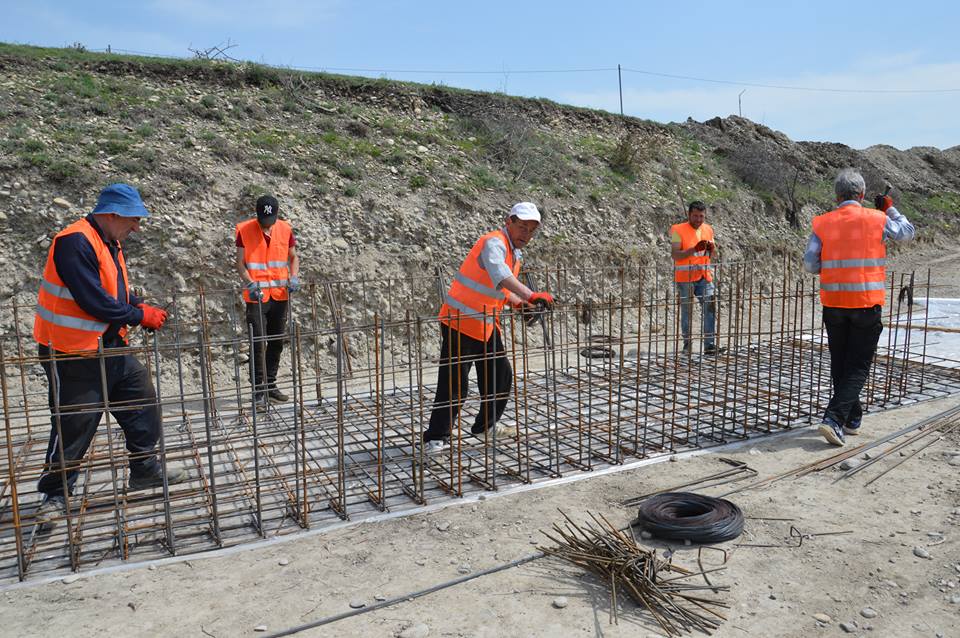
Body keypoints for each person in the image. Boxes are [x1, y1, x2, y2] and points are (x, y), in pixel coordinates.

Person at [33, 183, 186, 528]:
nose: (137, 228)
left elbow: (112, 290)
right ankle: (55, 495)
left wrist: (138, 305)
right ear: (113, 214)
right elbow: (94, 301)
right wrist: (139, 316)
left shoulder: (109, 240)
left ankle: (144, 470)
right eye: (133, 220)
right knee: (74, 423)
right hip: (72, 352)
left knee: (142, 400)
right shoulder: (74, 242)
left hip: (109, 345)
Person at [422, 202, 555, 454]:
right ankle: (435, 438)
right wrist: (531, 295)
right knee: (454, 384)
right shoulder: (494, 242)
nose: (526, 234)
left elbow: (499, 288)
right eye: (522, 227)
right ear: (508, 222)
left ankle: (485, 426)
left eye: (531, 230)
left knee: (500, 375)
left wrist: (519, 304)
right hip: (460, 321)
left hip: (484, 324)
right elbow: (501, 275)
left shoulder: (513, 252)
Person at [804, 168, 914, 446]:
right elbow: (907, 233)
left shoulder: (823, 222)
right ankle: (834, 419)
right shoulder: (877, 218)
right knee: (857, 366)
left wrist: (832, 266)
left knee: (840, 362)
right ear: (862, 195)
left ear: (836, 196)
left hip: (834, 304)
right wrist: (889, 210)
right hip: (866, 303)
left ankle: (852, 418)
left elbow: (810, 264)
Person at [235, 194, 300, 409]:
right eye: (263, 220)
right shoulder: (244, 230)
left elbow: (293, 257)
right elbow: (240, 263)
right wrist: (249, 283)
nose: (267, 224)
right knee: (257, 342)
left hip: (279, 295)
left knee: (276, 341)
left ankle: (270, 386)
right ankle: (258, 391)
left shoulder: (285, 229)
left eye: (270, 221)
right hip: (256, 296)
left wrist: (294, 277)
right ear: (257, 215)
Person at [670, 201, 721, 355]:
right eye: (695, 216)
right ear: (689, 215)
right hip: (685, 277)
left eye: (701, 216)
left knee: (710, 307)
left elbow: (713, 254)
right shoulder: (677, 230)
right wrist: (693, 249)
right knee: (687, 311)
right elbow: (675, 254)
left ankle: (709, 345)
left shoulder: (708, 229)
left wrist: (712, 250)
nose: (698, 219)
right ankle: (687, 345)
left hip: (704, 275)